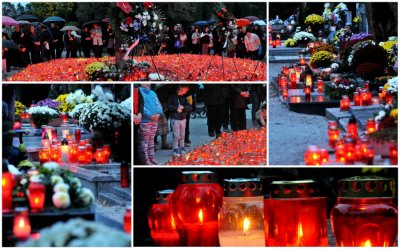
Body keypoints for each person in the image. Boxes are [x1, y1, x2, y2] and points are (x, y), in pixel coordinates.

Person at [138, 84, 163, 165]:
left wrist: (159, 113)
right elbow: (141, 107)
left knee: (151, 140)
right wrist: (149, 115)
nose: (146, 83)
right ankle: (145, 159)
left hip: (154, 120)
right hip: (145, 121)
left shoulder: (153, 93)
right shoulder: (139, 92)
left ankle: (152, 157)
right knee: (145, 141)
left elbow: (158, 104)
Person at [167, 86, 192, 156]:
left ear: (185, 91)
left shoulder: (184, 98)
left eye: (182, 90)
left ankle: (182, 147)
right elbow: (168, 105)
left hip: (183, 118)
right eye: (179, 89)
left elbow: (190, 107)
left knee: (182, 135)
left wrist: (184, 107)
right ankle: (175, 148)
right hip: (175, 118)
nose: (179, 91)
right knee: (176, 135)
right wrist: (176, 108)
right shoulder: (172, 96)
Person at [134, 85, 144, 165]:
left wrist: (140, 113)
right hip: (132, 117)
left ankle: (138, 161)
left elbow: (141, 101)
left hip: (137, 118)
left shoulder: (136, 88)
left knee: (137, 141)